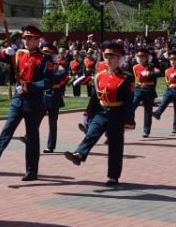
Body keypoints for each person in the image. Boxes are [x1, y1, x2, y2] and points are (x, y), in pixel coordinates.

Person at [0, 25, 49, 181]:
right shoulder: (18, 54)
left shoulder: (44, 59)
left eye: (30, 38)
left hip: (34, 101)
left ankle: (31, 171)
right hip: (18, 99)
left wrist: (30, 86)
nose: (26, 41)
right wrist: (5, 52)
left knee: (32, 137)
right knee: (8, 127)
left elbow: (47, 82)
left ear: (38, 40)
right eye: (25, 38)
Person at [64, 41, 136, 184]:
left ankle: (113, 176)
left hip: (117, 112)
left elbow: (129, 101)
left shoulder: (127, 77)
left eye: (111, 56)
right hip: (101, 111)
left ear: (119, 58)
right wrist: (87, 113)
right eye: (106, 56)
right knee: (91, 134)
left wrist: (128, 121)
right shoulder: (99, 76)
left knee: (115, 145)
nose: (107, 59)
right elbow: (95, 97)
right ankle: (79, 154)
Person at [40, 40, 69, 153]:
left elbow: (61, 75)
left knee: (52, 123)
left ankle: (50, 146)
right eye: (44, 52)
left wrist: (51, 77)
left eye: (48, 53)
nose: (45, 55)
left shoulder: (58, 66)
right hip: (43, 95)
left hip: (54, 96)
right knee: (35, 119)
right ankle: (28, 136)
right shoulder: (41, 65)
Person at [151, 49, 176, 134]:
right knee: (164, 102)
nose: (172, 61)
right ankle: (158, 113)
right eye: (171, 59)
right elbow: (167, 81)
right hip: (169, 89)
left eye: (175, 59)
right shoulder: (167, 70)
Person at [131, 47, 159, 137]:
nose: (141, 58)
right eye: (139, 56)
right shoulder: (135, 67)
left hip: (148, 89)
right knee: (132, 107)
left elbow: (158, 73)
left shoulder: (151, 66)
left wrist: (149, 73)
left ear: (147, 57)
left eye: (143, 57)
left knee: (148, 111)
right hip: (138, 88)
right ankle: (129, 122)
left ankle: (146, 131)